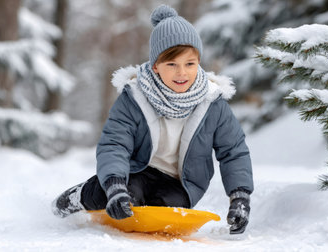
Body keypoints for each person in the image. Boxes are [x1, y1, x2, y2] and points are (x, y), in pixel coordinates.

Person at [51, 4, 254, 235]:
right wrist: (115, 183)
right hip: (136, 169)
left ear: (199, 62)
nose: (182, 73)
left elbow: (233, 151)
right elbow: (115, 143)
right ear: (156, 66)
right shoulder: (135, 97)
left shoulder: (213, 103)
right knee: (125, 199)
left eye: (190, 64)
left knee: (167, 212)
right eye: (172, 64)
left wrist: (240, 196)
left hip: (180, 183)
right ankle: (82, 195)